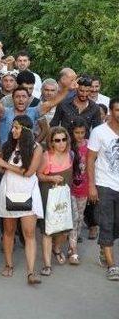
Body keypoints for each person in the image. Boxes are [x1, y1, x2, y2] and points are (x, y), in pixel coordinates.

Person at [0, 115, 44, 285]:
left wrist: (5, 164)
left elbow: (29, 172)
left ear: (26, 130)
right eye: (13, 127)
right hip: (8, 190)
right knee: (8, 232)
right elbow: (1, 169)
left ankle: (31, 272)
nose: (13, 130)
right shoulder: (7, 145)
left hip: (28, 192)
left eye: (16, 127)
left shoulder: (37, 148)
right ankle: (9, 265)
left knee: (29, 234)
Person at [87, 97, 119, 281]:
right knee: (106, 223)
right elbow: (90, 158)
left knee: (117, 223)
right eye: (117, 110)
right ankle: (111, 265)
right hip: (104, 183)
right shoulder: (99, 132)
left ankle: (103, 245)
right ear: (110, 112)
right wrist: (92, 185)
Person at [37, 126, 73, 277]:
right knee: (48, 229)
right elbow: (38, 175)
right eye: (57, 140)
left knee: (64, 228)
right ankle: (47, 265)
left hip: (64, 195)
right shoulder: (46, 156)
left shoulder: (71, 154)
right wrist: (51, 178)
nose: (61, 143)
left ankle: (56, 249)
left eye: (64, 139)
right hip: (49, 195)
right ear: (51, 142)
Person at [68, 117, 90, 265]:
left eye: (82, 132)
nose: (80, 135)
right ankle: (74, 250)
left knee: (80, 216)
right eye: (77, 132)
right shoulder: (67, 146)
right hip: (69, 188)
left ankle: (72, 244)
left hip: (84, 187)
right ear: (72, 132)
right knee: (73, 216)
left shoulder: (90, 146)